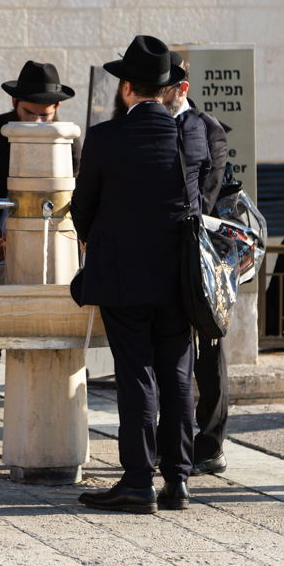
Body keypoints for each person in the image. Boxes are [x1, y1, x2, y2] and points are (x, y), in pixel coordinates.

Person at [72, 35, 193, 513]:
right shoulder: (189, 134)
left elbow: (82, 209)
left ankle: (139, 481)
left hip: (123, 276)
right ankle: (179, 479)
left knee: (136, 374)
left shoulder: (104, 137)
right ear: (166, 90)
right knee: (177, 374)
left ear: (127, 88)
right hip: (179, 279)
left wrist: (98, 237)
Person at [0, 61, 80, 461]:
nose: (38, 123)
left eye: (46, 116)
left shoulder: (70, 140)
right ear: (13, 103)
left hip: (50, 253)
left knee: (51, 340)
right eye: (28, 115)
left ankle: (46, 430)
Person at [163, 51, 231, 475]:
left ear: (181, 88)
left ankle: (211, 443)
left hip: (199, 255)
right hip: (160, 256)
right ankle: (172, 441)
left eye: (164, 89)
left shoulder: (206, 127)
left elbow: (209, 190)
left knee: (209, 349)